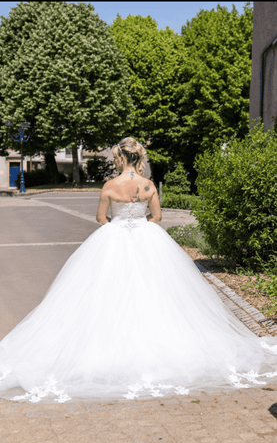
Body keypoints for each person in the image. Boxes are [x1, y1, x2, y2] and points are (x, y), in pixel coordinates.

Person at [0, 137, 277, 404]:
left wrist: (120, 221)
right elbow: (156, 218)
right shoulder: (148, 185)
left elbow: (101, 218)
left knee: (105, 293)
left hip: (114, 237)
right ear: (139, 157)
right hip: (148, 239)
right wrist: (139, 220)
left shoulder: (110, 185)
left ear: (120, 157)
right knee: (158, 293)